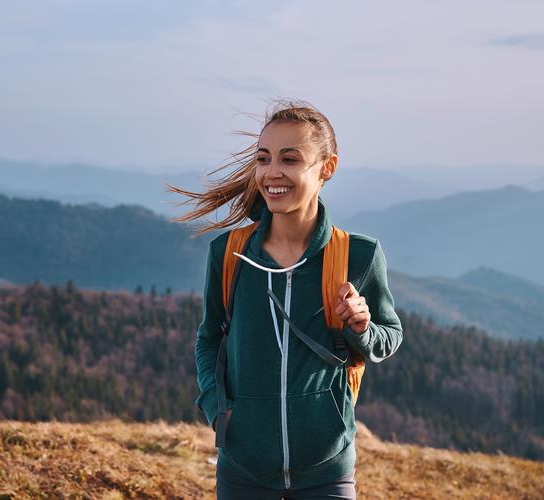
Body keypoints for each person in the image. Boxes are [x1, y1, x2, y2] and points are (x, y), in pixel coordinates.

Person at [170, 100, 404, 499]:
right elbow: (209, 338)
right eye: (264, 159)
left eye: (290, 159)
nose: (272, 172)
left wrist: (363, 328)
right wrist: (216, 408)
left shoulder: (358, 256)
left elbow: (389, 335)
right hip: (243, 469)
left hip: (327, 469)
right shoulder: (228, 254)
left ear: (327, 168)